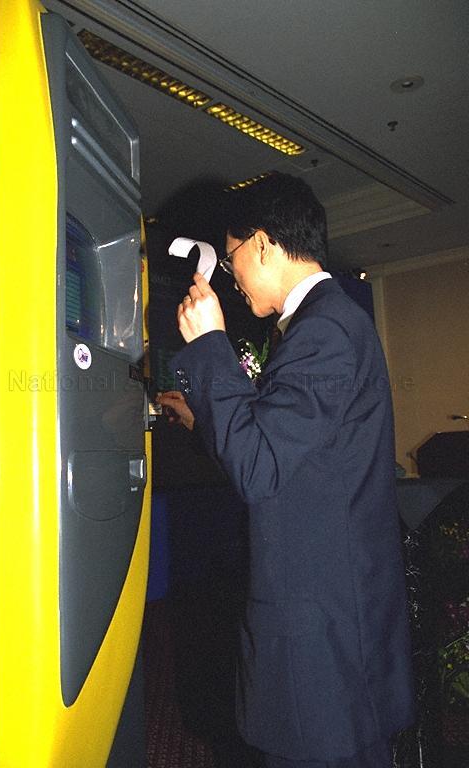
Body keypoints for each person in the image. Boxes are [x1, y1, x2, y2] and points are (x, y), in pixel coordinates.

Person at [157, 172, 414, 768]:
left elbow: (259, 470)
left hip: (324, 637)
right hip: (335, 621)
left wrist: (210, 346)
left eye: (233, 256)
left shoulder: (323, 329)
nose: (232, 271)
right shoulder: (329, 321)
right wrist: (204, 421)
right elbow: (293, 454)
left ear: (265, 244)